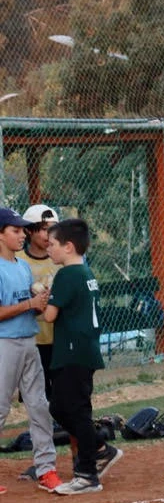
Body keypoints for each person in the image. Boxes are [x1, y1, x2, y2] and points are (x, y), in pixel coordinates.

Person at [43, 219, 122, 495]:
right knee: (64, 408)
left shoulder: (67, 274)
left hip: (73, 351)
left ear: (68, 246)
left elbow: (50, 315)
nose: (48, 248)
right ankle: (100, 448)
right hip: (84, 349)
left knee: (72, 410)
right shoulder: (86, 272)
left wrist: (42, 297)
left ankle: (87, 473)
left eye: (52, 244)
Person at [0, 207, 59, 494]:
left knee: (39, 406)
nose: (22, 234)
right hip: (4, 345)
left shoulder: (22, 267)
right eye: (15, 230)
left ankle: (46, 469)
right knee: (0, 409)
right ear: (0, 235)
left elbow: (30, 312)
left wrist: (42, 303)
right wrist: (29, 305)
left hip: (28, 342)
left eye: (23, 230)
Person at [16, 204, 60, 486]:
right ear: (30, 231)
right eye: (43, 229)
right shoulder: (17, 260)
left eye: (52, 228)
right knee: (36, 404)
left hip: (60, 341)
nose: (48, 234)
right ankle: (42, 462)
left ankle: (76, 461)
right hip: (32, 341)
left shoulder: (61, 255)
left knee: (61, 402)